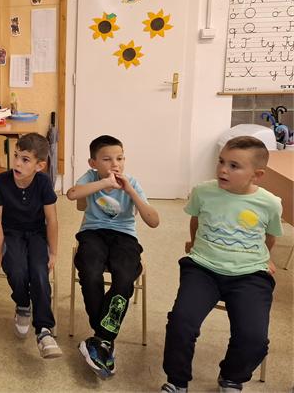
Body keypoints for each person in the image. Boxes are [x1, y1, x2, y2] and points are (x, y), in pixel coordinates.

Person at [160, 136, 282, 393]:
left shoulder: (270, 203)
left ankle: (231, 377)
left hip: (250, 274)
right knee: (181, 322)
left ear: (257, 175)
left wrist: (265, 257)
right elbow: (196, 220)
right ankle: (177, 381)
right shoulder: (203, 192)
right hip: (202, 268)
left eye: (234, 166)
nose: (223, 169)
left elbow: (270, 236)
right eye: (221, 161)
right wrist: (194, 243)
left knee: (254, 338)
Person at [65, 134, 160, 378]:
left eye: (120, 158)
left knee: (125, 278)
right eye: (107, 159)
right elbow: (72, 194)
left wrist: (130, 190)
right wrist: (104, 183)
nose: (115, 164)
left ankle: (101, 338)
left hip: (124, 237)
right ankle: (104, 339)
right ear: (93, 163)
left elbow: (154, 221)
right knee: (90, 272)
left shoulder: (132, 182)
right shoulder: (90, 177)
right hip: (93, 233)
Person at [0, 132, 62, 359]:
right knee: (17, 269)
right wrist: (0, 247)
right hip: (11, 234)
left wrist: (53, 252)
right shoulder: (2, 181)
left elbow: (52, 220)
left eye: (25, 159)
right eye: (16, 156)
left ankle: (43, 330)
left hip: (37, 234)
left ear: (39, 166)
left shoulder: (43, 183)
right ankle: (22, 305)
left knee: (39, 272)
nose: (17, 163)